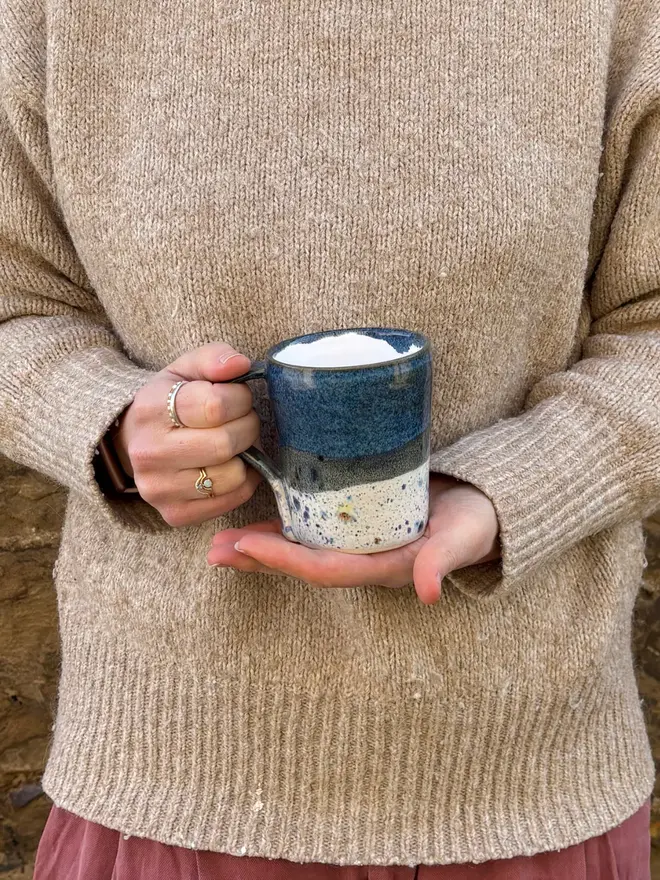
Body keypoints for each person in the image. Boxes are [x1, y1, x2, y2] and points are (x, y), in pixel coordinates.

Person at [1, 0, 659, 874]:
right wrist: (110, 428)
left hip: (527, 774)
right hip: (173, 774)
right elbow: (17, 298)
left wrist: (513, 490)